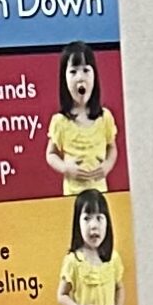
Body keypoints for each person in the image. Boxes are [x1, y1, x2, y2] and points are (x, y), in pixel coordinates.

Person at [45, 43, 118, 194]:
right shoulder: (60, 121)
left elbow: (112, 147)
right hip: (72, 194)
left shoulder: (105, 117)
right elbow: (50, 154)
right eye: (73, 72)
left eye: (86, 70)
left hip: (100, 192)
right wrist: (66, 168)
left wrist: (107, 165)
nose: (80, 77)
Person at [56, 188, 123, 305]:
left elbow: (119, 287)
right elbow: (62, 295)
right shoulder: (73, 261)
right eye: (87, 218)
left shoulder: (113, 258)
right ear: (77, 224)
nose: (93, 226)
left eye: (99, 218)